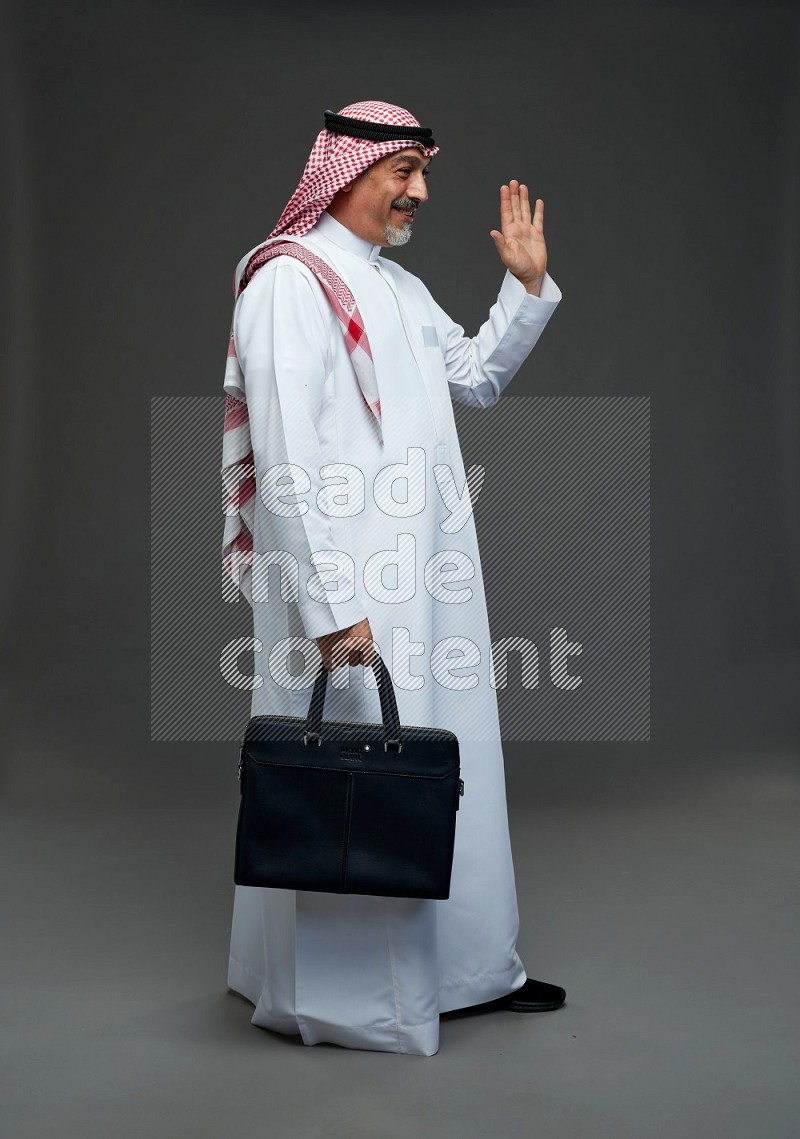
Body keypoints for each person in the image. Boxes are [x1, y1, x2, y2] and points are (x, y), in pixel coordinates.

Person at [220, 100, 565, 1056]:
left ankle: (463, 973)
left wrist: (525, 289)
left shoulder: (398, 289)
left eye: (423, 172)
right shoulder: (291, 283)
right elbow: (285, 455)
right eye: (402, 170)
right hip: (352, 587)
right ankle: (355, 1002)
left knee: (443, 765)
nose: (419, 190)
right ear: (345, 169)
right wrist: (334, 613)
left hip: (430, 574)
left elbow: (477, 376)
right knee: (351, 776)